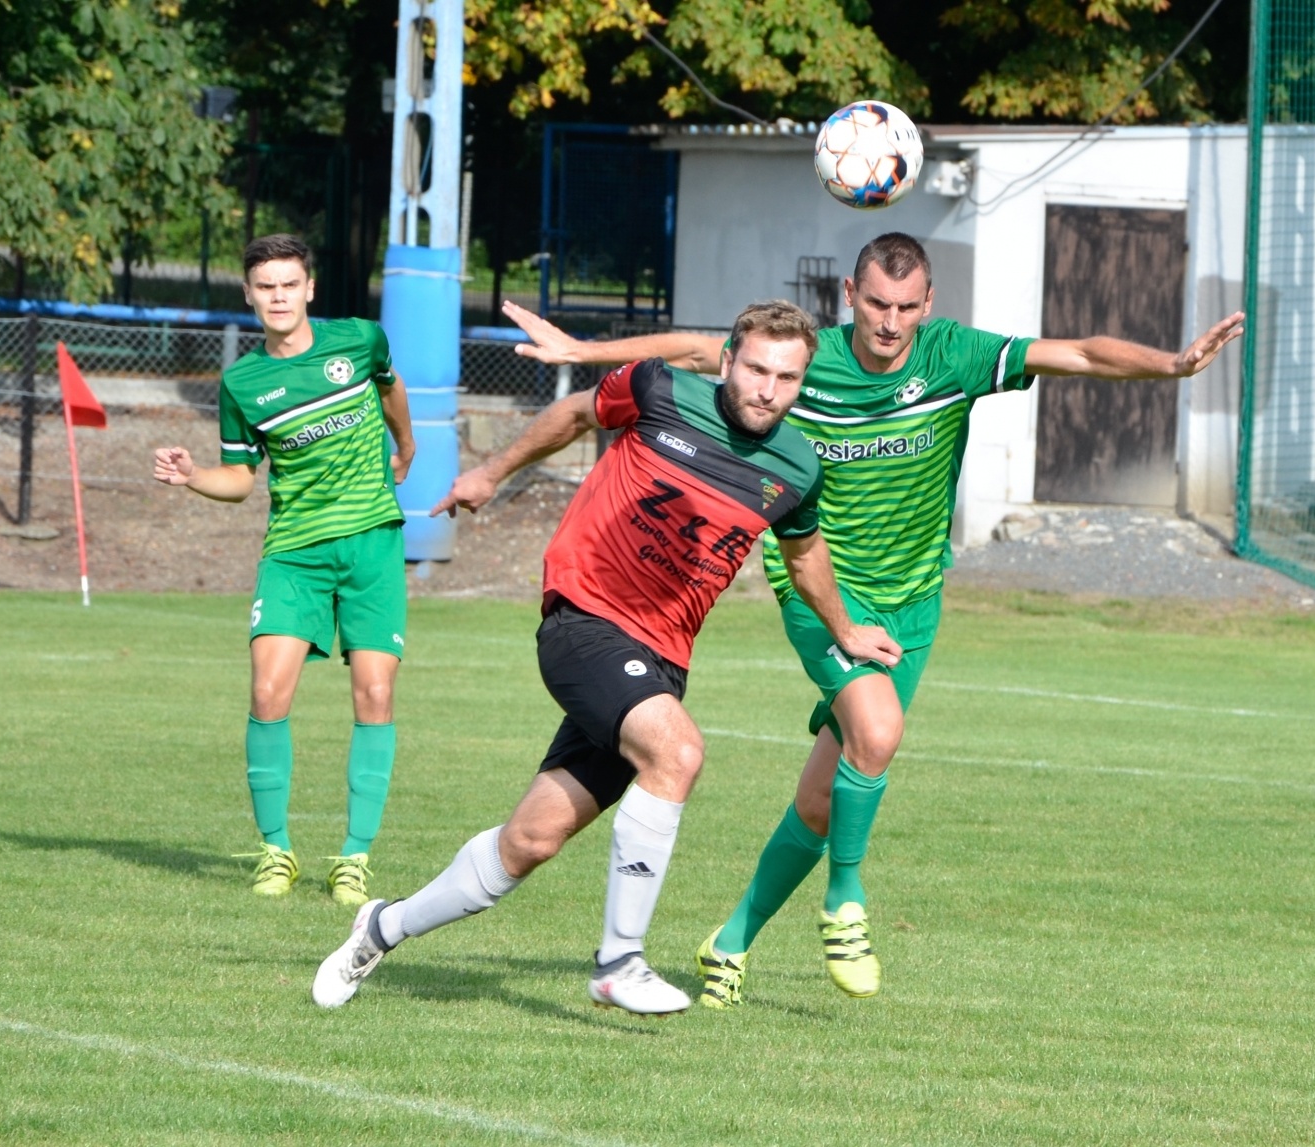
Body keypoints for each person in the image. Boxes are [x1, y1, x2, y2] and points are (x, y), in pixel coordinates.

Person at [497, 232, 1245, 1008]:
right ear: (849, 296)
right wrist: (584, 348)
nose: (890, 323)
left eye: (906, 307)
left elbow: (1082, 354)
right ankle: (845, 904)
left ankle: (731, 941)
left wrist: (1173, 364)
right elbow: (691, 347)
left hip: (915, 602)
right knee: (878, 732)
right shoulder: (804, 362)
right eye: (877, 305)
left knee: (826, 798)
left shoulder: (954, 357)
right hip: (826, 595)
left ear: (929, 305)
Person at [310, 300, 901, 1016]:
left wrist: (842, 627)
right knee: (676, 750)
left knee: (529, 841)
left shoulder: (797, 466)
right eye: (755, 368)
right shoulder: (659, 390)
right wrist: (492, 471)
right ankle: (619, 960)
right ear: (726, 361)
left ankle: (381, 926)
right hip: (583, 620)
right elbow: (575, 417)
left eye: (785, 376)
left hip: (660, 660)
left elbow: (805, 558)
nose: (767, 388)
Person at [152, 233, 415, 907]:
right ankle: (275, 849)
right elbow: (241, 479)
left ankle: (354, 858)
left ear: (310, 289)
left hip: (371, 544)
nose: (277, 296)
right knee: (268, 694)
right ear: (248, 294)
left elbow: (392, 387)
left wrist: (406, 444)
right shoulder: (242, 382)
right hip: (293, 550)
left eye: (288, 284)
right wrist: (191, 478)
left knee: (374, 696)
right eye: (265, 286)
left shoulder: (358, 340)